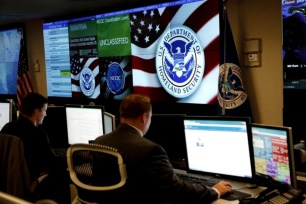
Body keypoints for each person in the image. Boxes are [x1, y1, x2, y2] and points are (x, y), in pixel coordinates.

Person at [94, 94, 233, 204]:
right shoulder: (150, 150)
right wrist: (214, 190)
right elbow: (177, 190)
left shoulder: (99, 142)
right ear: (144, 117)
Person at [0, 92, 70, 203]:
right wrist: (73, 156)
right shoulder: (38, 134)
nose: (45, 114)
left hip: (6, 186)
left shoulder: (7, 127)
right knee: (62, 175)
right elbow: (53, 163)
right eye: (45, 110)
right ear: (36, 111)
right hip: (28, 183)